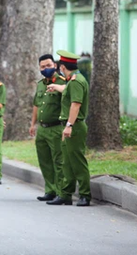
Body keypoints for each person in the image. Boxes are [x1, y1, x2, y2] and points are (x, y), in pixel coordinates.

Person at [46, 50, 92, 207]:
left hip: (75, 126)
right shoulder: (73, 81)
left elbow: (76, 104)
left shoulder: (76, 82)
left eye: (60, 67)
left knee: (78, 162)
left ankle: (85, 195)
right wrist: (55, 86)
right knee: (67, 162)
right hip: (69, 126)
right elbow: (67, 90)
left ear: (63, 67)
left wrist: (69, 125)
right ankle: (66, 194)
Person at [30, 54, 66, 201]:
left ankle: (61, 192)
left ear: (55, 65)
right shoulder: (40, 84)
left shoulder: (62, 83)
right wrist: (32, 124)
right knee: (44, 161)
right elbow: (36, 105)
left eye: (49, 65)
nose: (46, 69)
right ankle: (50, 190)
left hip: (56, 128)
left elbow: (69, 94)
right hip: (42, 129)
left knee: (58, 161)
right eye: (43, 67)